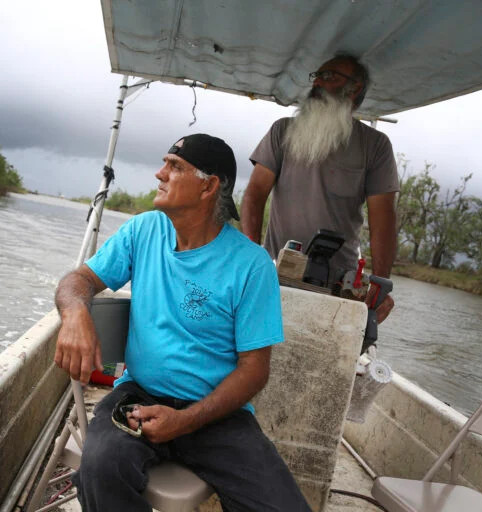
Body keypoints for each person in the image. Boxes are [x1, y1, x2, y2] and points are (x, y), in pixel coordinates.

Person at [54, 134, 311, 512]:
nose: (160, 174)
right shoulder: (143, 231)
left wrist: (186, 420)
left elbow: (255, 371)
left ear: (209, 186)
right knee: (101, 469)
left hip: (217, 414)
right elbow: (78, 281)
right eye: (165, 164)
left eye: (175, 167)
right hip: (139, 397)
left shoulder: (252, 265)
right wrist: (75, 312)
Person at [241, 54, 397, 324]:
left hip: (339, 285)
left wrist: (381, 282)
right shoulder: (282, 131)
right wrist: (252, 259)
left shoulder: (375, 146)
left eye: (330, 77)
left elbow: (383, 220)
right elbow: (254, 196)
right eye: (317, 76)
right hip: (274, 273)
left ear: (355, 88)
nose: (318, 84)